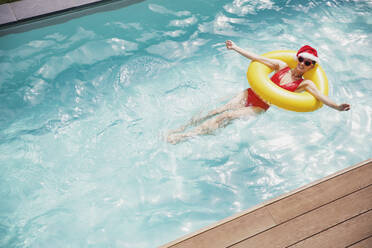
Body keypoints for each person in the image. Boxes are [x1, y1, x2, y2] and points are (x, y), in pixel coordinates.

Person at [167, 40, 350, 144]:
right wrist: (235, 48)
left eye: (308, 63)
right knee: (216, 110)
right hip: (250, 93)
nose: (303, 64)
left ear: (312, 66)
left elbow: (320, 97)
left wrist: (337, 107)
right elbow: (257, 58)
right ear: (297, 58)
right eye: (301, 59)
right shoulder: (281, 66)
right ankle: (181, 127)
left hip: (260, 106)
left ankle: (185, 137)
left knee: (226, 116)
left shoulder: (305, 84)